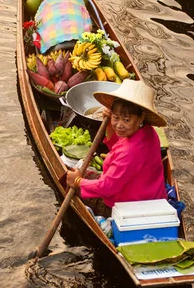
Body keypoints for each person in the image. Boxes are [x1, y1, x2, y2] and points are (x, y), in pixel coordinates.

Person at [66, 79, 167, 217]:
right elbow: (118, 145)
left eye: (126, 120)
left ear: (141, 118)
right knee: (83, 173)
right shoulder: (149, 132)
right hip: (150, 196)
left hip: (126, 208)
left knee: (67, 179)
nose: (119, 125)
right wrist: (108, 125)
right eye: (116, 117)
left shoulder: (129, 152)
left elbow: (107, 187)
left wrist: (77, 182)